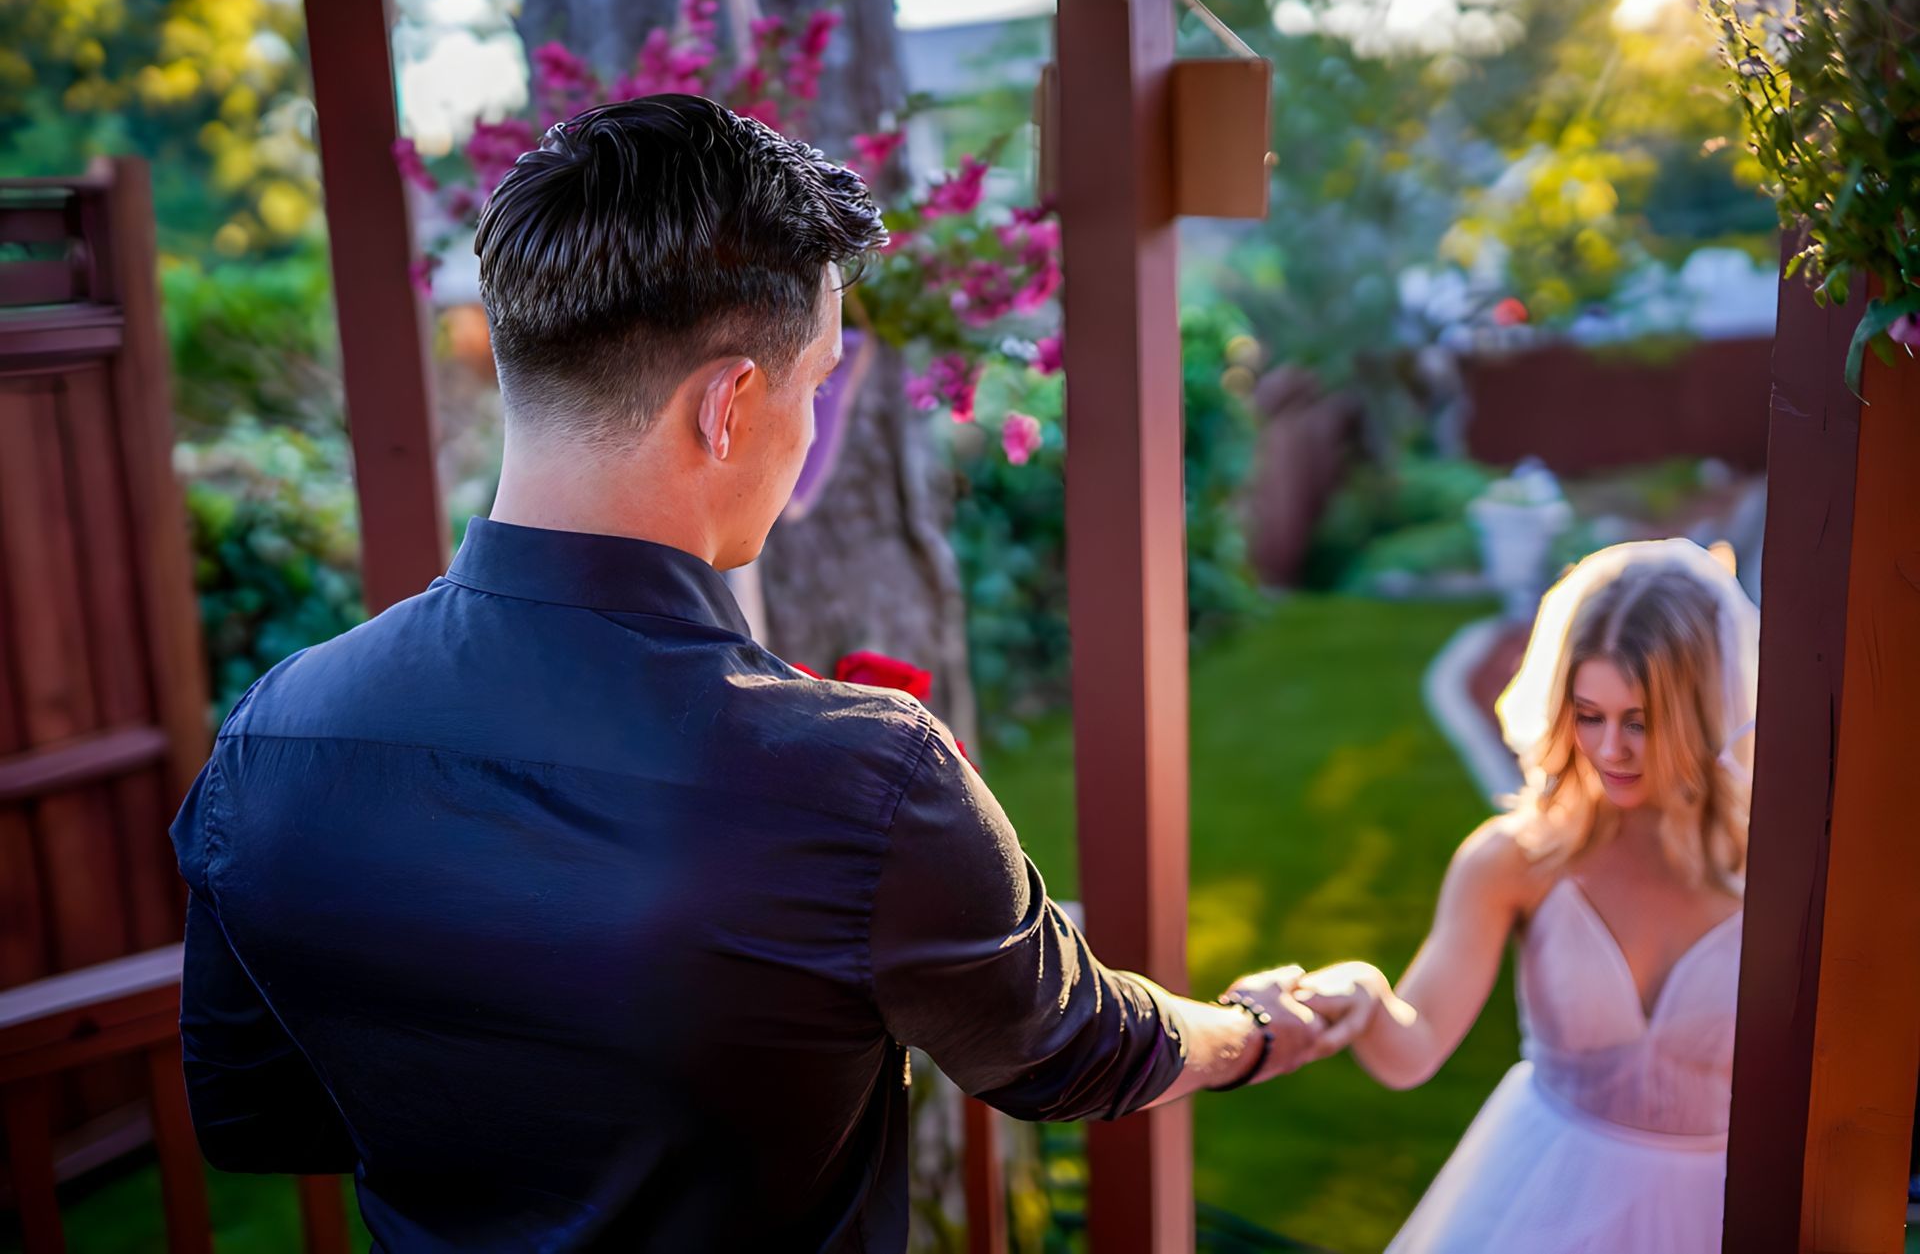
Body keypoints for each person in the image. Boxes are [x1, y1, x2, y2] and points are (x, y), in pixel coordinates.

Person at [168, 96, 1347, 1253]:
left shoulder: (275, 733)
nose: (812, 420)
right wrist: (1253, 1028)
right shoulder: (860, 775)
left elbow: (255, 1113)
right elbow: (1070, 1043)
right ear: (731, 405)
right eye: (816, 382)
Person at [1288, 538, 1759, 1253]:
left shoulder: (1777, 876)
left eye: (1639, 720)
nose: (1609, 750)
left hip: (1725, 1215)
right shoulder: (1516, 860)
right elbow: (1408, 1054)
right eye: (1588, 713)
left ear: (1703, 712)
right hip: (1540, 1201)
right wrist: (1364, 991)